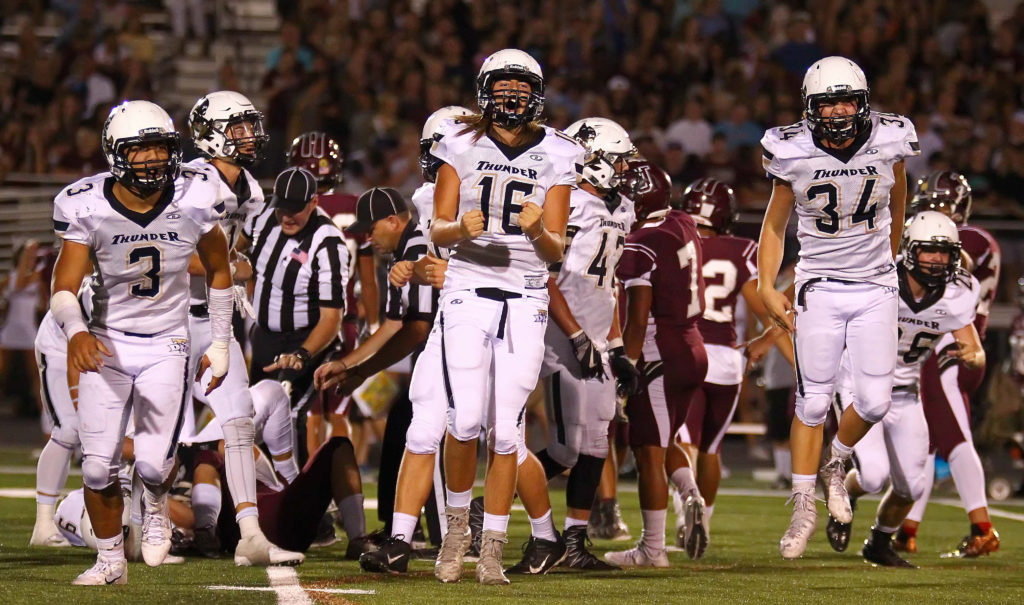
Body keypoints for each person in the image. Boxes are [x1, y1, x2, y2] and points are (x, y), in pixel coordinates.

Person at [49, 100, 236, 585]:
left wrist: (219, 341)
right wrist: (77, 332)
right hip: (107, 342)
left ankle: (154, 502)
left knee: (153, 466)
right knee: (95, 469)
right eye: (141, 149)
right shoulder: (85, 203)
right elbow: (64, 286)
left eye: (160, 147)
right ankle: (111, 562)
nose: (153, 158)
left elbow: (220, 269)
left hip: (166, 344)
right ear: (116, 153)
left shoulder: (194, 197)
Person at [423, 48, 583, 585]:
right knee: (465, 420)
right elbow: (437, 230)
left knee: (507, 434)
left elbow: (556, 249)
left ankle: (492, 546)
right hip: (468, 289)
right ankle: (455, 533)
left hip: (526, 297)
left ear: (535, 94)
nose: (511, 95)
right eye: (503, 85)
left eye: (521, 87)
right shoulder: (460, 143)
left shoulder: (559, 153)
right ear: (485, 90)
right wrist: (459, 231)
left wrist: (537, 230)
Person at [758, 56, 919, 559]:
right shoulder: (792, 150)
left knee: (874, 402)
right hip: (821, 285)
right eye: (828, 103)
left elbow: (899, 198)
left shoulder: (889, 139)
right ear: (811, 108)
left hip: (874, 285)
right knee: (811, 400)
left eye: (848, 100)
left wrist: (890, 257)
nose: (839, 111)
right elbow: (773, 224)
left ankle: (836, 462)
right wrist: (766, 283)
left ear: (864, 102)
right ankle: (804, 503)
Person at [506, 117, 637, 574]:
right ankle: (493, 510)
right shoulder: (570, 202)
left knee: (598, 444)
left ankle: (575, 542)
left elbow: (610, 282)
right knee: (565, 448)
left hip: (597, 336)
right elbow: (547, 274)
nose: (624, 168)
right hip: (563, 334)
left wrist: (617, 346)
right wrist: (577, 333)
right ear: (592, 158)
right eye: (618, 159)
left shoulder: (621, 209)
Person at [184, 90, 304, 566]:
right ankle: (143, 521)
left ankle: (251, 535)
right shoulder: (192, 183)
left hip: (214, 323)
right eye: (239, 128)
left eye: (251, 126)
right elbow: (174, 254)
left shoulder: (250, 189)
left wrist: (238, 268)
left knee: (236, 422)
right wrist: (227, 270)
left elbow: (234, 256)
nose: (250, 136)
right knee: (160, 444)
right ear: (212, 134)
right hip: (166, 324)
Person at [828, 211, 984, 567]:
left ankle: (879, 542)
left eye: (945, 252)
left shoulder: (957, 293)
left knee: (911, 488)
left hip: (904, 392)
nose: (937, 260)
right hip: (860, 384)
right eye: (929, 251)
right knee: (873, 475)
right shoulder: (879, 277)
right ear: (910, 249)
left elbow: (972, 345)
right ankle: (845, 496)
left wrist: (973, 357)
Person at [313, 186, 442, 571]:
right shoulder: (402, 252)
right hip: (439, 349)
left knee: (427, 430)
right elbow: (392, 326)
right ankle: (399, 527)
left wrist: (359, 370)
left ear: (393, 220)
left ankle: (449, 531)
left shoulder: (417, 247)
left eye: (371, 229)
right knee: (403, 420)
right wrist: (353, 369)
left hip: (460, 350)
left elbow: (417, 329)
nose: (367, 238)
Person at [673, 177, 792, 559]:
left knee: (681, 442)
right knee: (711, 448)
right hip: (726, 360)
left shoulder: (671, 239)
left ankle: (682, 513)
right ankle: (703, 519)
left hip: (683, 353)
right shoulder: (741, 250)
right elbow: (770, 312)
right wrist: (771, 344)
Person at [604, 158, 707, 568]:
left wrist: (625, 366)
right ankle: (690, 494)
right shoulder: (683, 222)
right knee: (668, 441)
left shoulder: (640, 243)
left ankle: (653, 549)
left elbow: (638, 316)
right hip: (692, 346)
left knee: (648, 451)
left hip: (659, 352)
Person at [893, 171, 1001, 558]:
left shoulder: (967, 241)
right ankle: (906, 530)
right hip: (956, 352)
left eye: (938, 207)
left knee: (954, 438)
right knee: (926, 443)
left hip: (952, 351)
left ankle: (982, 526)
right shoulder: (983, 240)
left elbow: (951, 272)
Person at [287, 131, 379, 455]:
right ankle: (346, 493)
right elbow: (368, 281)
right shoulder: (356, 207)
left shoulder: (297, 209)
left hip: (309, 321)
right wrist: (376, 325)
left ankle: (311, 496)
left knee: (310, 412)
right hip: (347, 319)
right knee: (339, 412)